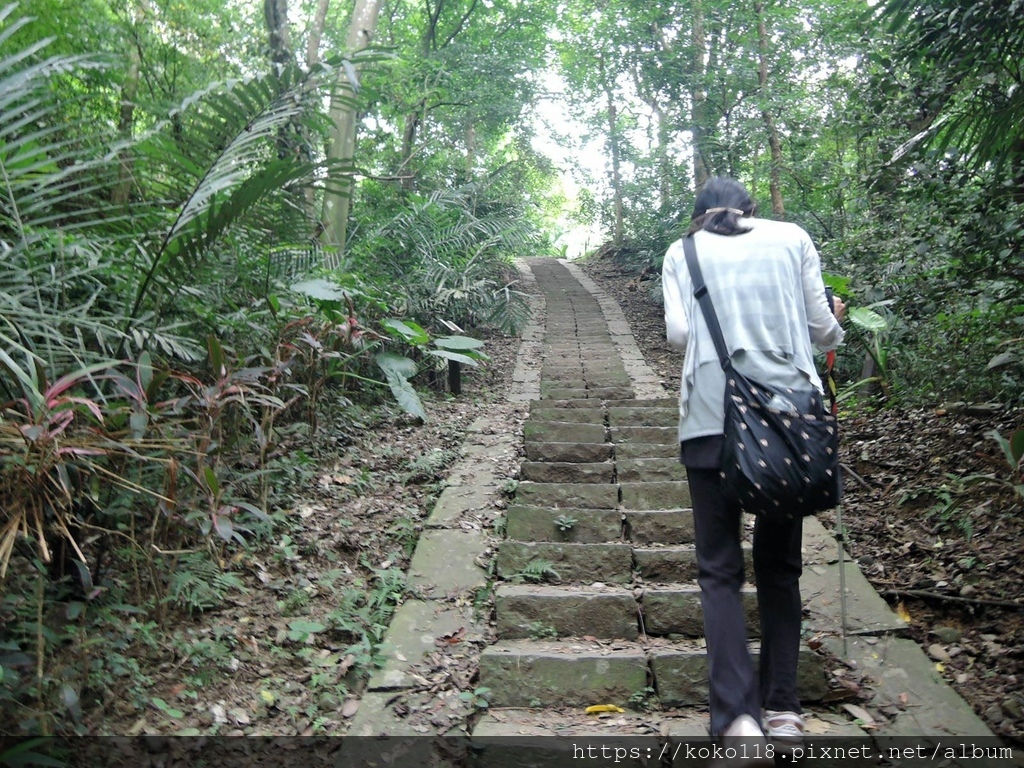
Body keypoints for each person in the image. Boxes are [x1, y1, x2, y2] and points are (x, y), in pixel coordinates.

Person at [661, 177, 846, 755]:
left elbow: (679, 335)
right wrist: (834, 318)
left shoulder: (682, 251)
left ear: (698, 216)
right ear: (751, 210)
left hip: (712, 418)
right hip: (786, 421)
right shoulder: (792, 238)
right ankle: (784, 710)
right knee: (780, 567)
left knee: (719, 570)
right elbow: (822, 331)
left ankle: (738, 720)